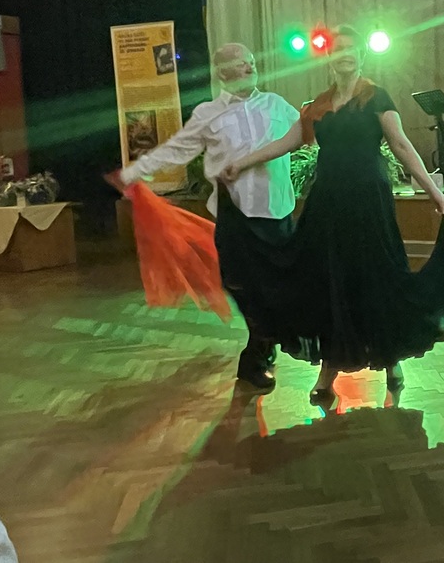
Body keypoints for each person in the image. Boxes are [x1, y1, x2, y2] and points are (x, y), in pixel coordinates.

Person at [219, 25, 444, 399]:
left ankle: (391, 361)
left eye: (351, 48)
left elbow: (400, 144)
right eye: (337, 48)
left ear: (361, 55)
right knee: (329, 284)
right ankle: (328, 371)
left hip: (369, 201)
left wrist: (432, 188)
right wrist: (242, 162)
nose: (344, 53)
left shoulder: (376, 96)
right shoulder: (320, 103)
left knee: (377, 277)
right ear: (329, 58)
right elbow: (286, 142)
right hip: (328, 203)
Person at [105, 43, 299, 390]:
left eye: (251, 62)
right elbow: (176, 149)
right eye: (241, 64)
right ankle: (258, 355)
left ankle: (259, 352)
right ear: (222, 73)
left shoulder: (276, 105)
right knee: (244, 288)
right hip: (236, 216)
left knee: (280, 289)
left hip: (278, 212)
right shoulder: (208, 113)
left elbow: (309, 133)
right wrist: (132, 173)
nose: (250, 68)